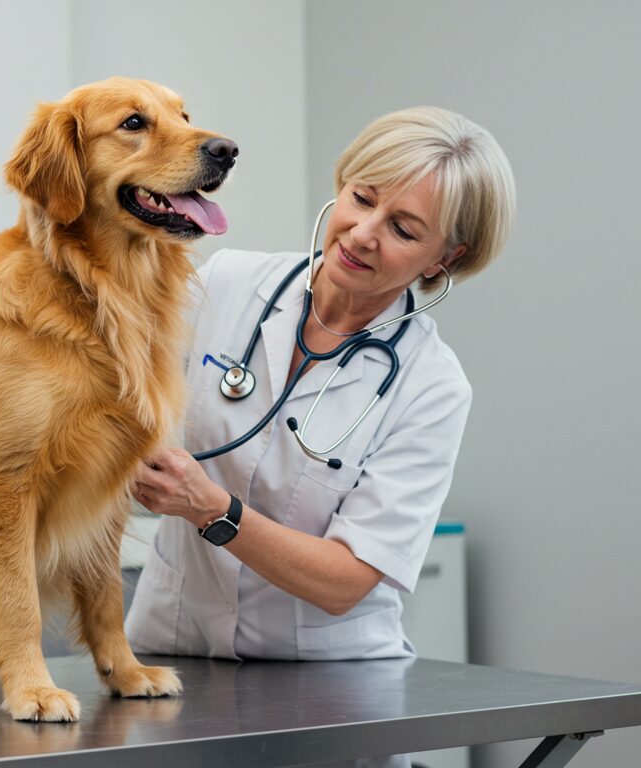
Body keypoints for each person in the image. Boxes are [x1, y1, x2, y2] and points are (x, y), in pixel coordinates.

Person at [125, 105, 515, 666]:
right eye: (361, 198)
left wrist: (212, 509)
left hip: (327, 683)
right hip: (173, 650)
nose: (362, 235)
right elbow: (114, 394)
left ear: (447, 256)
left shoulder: (430, 386)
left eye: (403, 229)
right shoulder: (225, 283)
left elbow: (345, 581)